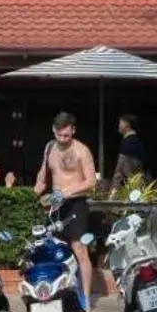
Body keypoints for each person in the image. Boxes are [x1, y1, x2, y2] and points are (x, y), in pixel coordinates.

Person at [34, 111, 97, 298]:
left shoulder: (81, 150)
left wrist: (67, 193)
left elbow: (91, 181)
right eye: (59, 135)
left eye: (66, 135)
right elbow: (42, 177)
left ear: (73, 131)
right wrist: (33, 194)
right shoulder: (49, 147)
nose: (62, 139)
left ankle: (85, 300)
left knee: (79, 248)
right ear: (53, 130)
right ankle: (58, 294)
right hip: (55, 204)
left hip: (76, 202)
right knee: (52, 247)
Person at [111, 114, 149, 187]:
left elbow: (119, 168)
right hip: (139, 184)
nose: (118, 126)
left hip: (131, 186)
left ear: (126, 124)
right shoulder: (139, 142)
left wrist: (113, 189)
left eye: (120, 123)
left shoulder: (128, 143)